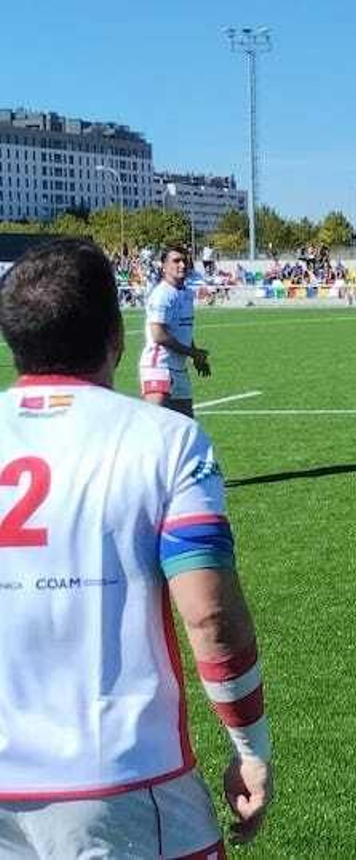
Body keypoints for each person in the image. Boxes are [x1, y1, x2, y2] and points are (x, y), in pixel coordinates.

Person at [0, 239, 273, 855]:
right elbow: (210, 616)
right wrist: (251, 748)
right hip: (118, 777)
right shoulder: (169, 442)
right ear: (117, 335)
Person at [139, 245, 211, 417]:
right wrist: (192, 352)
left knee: (185, 427)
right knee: (155, 425)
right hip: (159, 367)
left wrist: (194, 356)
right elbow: (158, 334)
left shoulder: (185, 294)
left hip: (179, 369)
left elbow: (183, 330)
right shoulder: (162, 294)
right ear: (163, 265)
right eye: (176, 261)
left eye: (184, 261)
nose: (182, 265)